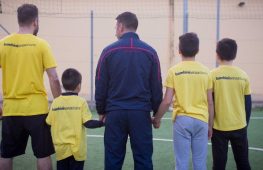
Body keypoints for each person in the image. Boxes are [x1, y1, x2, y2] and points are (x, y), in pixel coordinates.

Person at [95, 12, 163, 170]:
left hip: (115, 113)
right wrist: (156, 112)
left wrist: (101, 110)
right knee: (143, 159)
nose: (115, 30)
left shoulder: (108, 51)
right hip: (140, 113)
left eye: (115, 27)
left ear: (120, 26)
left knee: (113, 160)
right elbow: (156, 85)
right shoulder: (150, 52)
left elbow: (100, 83)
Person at [0, 4, 61, 170]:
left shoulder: (3, 44)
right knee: (43, 154)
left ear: (18, 20)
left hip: (11, 109)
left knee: (6, 154)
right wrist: (59, 102)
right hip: (36, 110)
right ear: (35, 21)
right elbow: (54, 78)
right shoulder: (42, 45)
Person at [153, 32, 214, 170]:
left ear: (179, 50)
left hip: (182, 121)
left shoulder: (174, 71)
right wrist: (210, 125)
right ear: (197, 50)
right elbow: (210, 102)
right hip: (202, 120)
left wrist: (157, 118)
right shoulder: (206, 72)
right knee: (200, 163)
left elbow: (167, 100)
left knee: (181, 163)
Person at [46, 68, 104, 170]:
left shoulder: (55, 102)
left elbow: (48, 122)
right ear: (79, 86)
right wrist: (102, 123)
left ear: (63, 86)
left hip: (61, 150)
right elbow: (88, 123)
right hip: (77, 151)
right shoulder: (81, 102)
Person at [210, 38, 251, 170]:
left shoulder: (212, 75)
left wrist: (209, 125)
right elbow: (248, 104)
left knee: (219, 165)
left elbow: (209, 102)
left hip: (218, 128)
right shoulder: (243, 75)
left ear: (217, 54)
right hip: (240, 126)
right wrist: (245, 124)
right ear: (235, 54)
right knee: (243, 163)